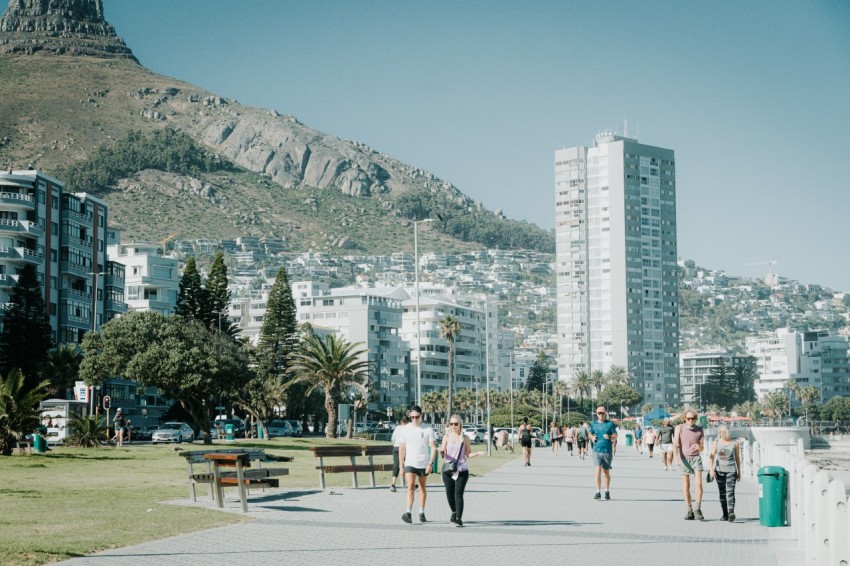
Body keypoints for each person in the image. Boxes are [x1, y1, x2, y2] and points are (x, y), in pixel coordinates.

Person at [398, 405, 437, 524]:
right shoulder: (405, 429)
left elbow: (433, 447)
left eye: (417, 417)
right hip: (410, 462)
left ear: (421, 416)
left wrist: (430, 463)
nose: (415, 419)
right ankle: (408, 512)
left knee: (422, 487)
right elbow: (402, 448)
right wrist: (401, 465)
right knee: (410, 486)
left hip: (423, 463)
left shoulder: (427, 429)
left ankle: (421, 512)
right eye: (412, 417)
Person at [440, 414, 480, 527]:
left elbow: (468, 454)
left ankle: (458, 518)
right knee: (449, 494)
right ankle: (453, 511)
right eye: (451, 424)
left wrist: (477, 453)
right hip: (448, 469)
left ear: (460, 425)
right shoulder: (446, 437)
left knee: (458, 494)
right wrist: (442, 451)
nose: (453, 426)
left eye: (455, 424)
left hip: (461, 469)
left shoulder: (465, 438)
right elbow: (443, 451)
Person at [674, 410, 706, 520]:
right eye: (688, 418)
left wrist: (699, 447)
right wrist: (676, 458)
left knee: (699, 484)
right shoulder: (679, 428)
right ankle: (689, 510)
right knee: (686, 485)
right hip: (683, 459)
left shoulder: (699, 429)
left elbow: (702, 447)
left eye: (692, 418)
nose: (690, 420)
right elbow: (675, 444)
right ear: (684, 419)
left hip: (696, 458)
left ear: (696, 419)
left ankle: (697, 508)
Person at [709, 425, 742, 522]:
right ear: (719, 433)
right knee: (722, 493)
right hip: (719, 471)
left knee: (730, 492)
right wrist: (711, 469)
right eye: (721, 433)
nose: (723, 434)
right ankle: (725, 514)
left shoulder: (735, 443)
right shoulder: (716, 443)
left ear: (728, 432)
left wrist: (739, 472)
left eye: (725, 433)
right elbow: (711, 457)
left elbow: (737, 458)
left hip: (731, 470)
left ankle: (731, 512)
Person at [588, 406, 617, 500]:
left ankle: (607, 491)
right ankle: (597, 492)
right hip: (596, 451)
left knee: (606, 472)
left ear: (605, 414)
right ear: (596, 414)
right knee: (597, 470)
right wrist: (592, 437)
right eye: (599, 413)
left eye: (602, 413)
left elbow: (615, 436)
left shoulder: (610, 424)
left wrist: (609, 437)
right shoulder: (593, 424)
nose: (601, 415)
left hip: (607, 451)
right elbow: (589, 434)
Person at [389, 416, 410, 492]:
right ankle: (411, 484)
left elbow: (392, 439)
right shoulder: (408, 429)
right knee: (408, 465)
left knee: (396, 466)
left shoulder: (397, 428)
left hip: (396, 447)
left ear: (401, 421)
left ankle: (393, 484)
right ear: (407, 422)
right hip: (404, 448)